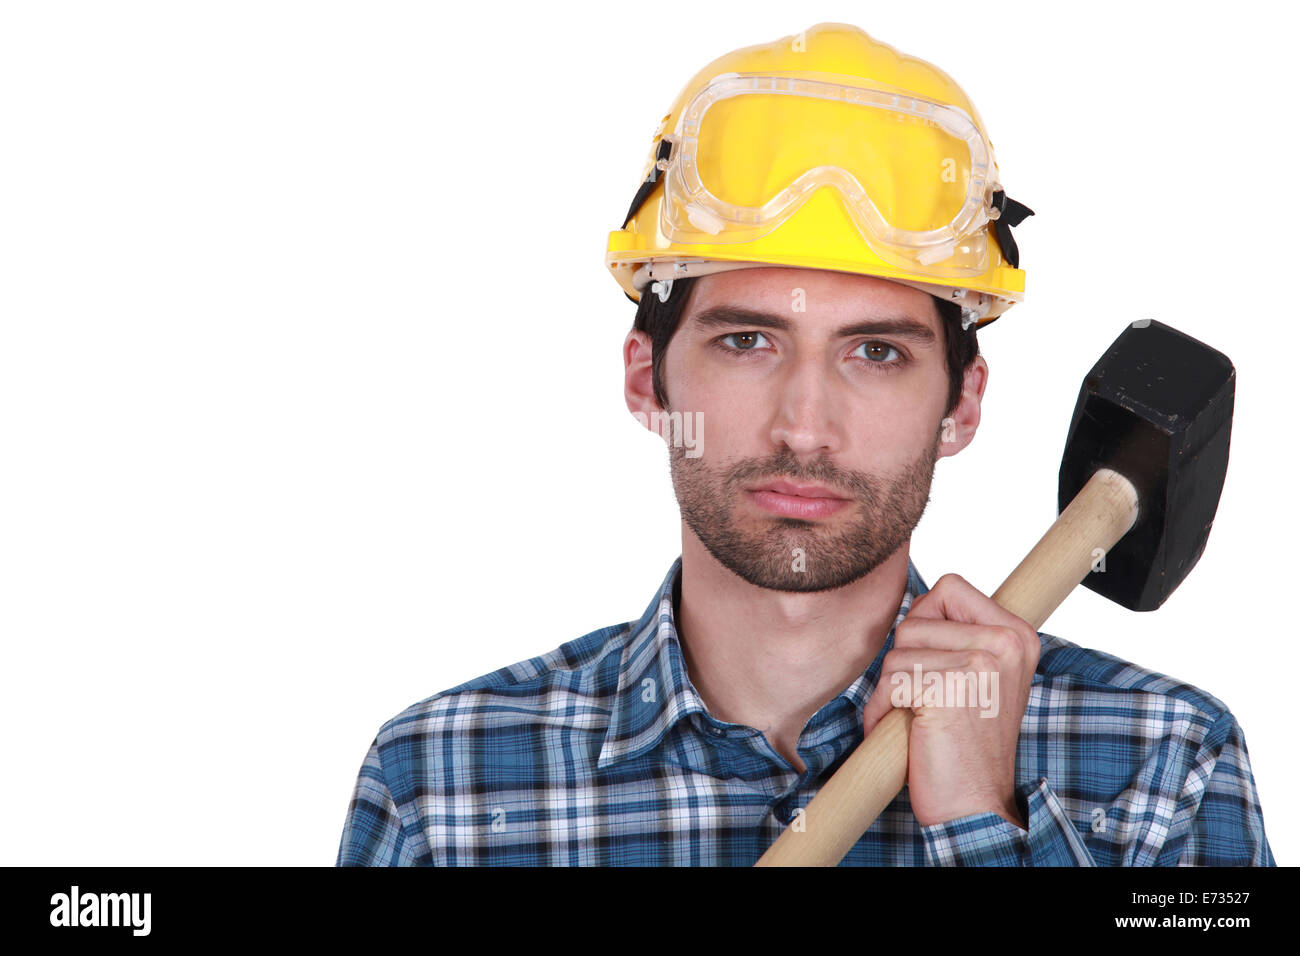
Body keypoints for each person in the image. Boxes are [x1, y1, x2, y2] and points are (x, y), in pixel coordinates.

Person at [336, 22, 1274, 866]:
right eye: (747, 342)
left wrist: (978, 829)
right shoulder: (441, 791)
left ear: (963, 403)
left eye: (876, 352)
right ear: (645, 379)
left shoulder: (1169, 764)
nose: (805, 428)